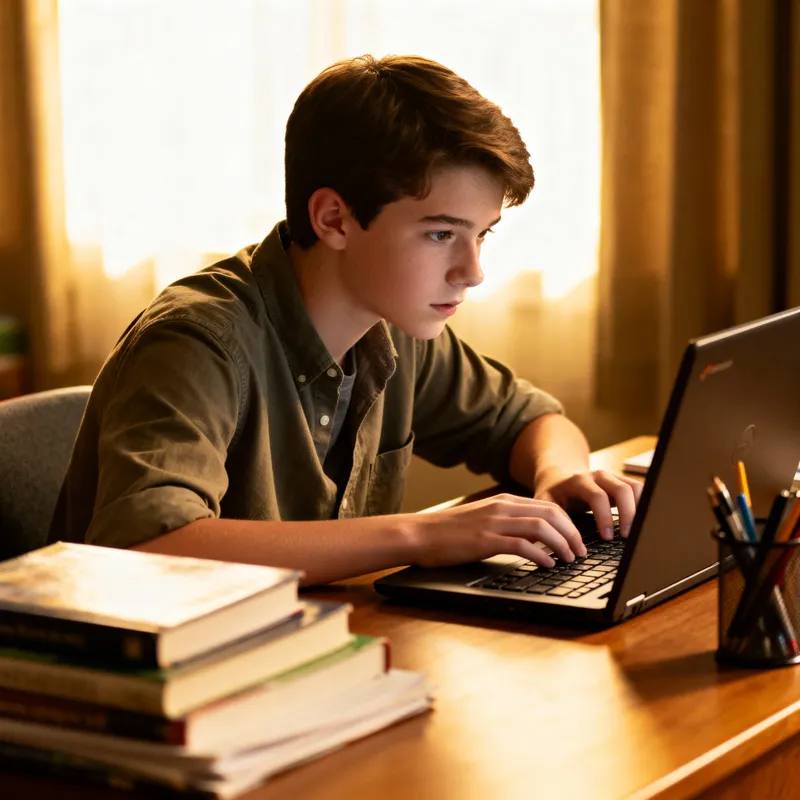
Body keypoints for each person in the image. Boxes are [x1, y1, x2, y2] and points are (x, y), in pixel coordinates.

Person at [49, 54, 642, 586]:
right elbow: (148, 545)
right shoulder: (195, 343)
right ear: (334, 219)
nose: (472, 271)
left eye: (481, 235)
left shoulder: (395, 326)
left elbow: (532, 420)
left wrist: (561, 475)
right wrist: (423, 535)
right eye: (441, 234)